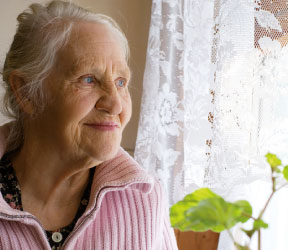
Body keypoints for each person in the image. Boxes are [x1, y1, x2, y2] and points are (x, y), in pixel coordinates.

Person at [0, 1, 178, 249]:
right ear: (26, 93)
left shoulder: (144, 198)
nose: (115, 105)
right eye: (88, 79)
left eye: (120, 82)